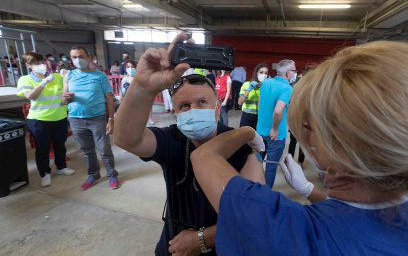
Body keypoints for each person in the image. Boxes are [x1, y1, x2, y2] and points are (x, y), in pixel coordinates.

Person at [190, 41, 408, 255]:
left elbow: (204, 156)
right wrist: (310, 192)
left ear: (341, 154)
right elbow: (360, 222)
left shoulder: (283, 233)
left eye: (308, 128)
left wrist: (245, 132)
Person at [114, 32, 265, 256]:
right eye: (184, 105)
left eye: (202, 102)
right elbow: (126, 139)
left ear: (217, 108)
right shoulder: (171, 139)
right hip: (172, 244)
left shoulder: (239, 145)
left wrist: (201, 240)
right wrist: (143, 86)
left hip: (223, 246)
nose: (194, 109)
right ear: (175, 112)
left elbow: (256, 213)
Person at [63, 46, 119, 190]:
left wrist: (111, 120)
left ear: (88, 58)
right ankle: (94, 175)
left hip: (97, 118)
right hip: (76, 119)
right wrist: (66, 97)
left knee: (104, 149)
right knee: (87, 150)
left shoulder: (100, 76)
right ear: (71, 59)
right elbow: (64, 100)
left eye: (81, 56)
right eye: (74, 57)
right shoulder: (68, 76)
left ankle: (112, 174)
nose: (78, 60)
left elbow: (110, 99)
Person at [16, 52, 75, 187]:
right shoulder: (25, 80)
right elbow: (31, 95)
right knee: (42, 149)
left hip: (59, 118)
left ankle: (61, 167)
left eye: (42, 62)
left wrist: (66, 77)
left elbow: (66, 90)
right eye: (37, 64)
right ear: (28, 65)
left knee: (60, 145)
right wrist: (43, 83)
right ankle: (45, 173)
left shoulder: (55, 76)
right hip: (39, 120)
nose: (41, 65)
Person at [256, 59, 296, 187]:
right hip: (276, 136)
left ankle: (255, 189)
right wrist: (274, 128)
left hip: (260, 131)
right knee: (271, 167)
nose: (295, 73)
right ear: (288, 73)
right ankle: (266, 195)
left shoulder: (266, 83)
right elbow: (278, 111)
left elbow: (261, 103)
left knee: (257, 163)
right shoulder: (286, 88)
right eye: (294, 70)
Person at [238, 63, 268, 129]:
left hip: (260, 116)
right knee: (244, 137)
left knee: (258, 138)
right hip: (247, 115)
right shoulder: (247, 84)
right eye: (261, 72)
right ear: (256, 73)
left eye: (266, 73)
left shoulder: (266, 87)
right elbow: (240, 102)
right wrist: (248, 90)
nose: (263, 75)